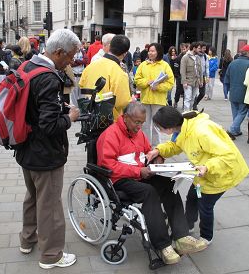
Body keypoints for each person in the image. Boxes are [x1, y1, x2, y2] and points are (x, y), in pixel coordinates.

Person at [97, 102, 207, 265]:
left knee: (170, 183)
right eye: (137, 122)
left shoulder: (138, 133)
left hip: (141, 173)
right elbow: (108, 166)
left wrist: (157, 158)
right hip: (119, 179)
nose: (140, 126)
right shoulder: (110, 135)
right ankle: (163, 245)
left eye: (142, 122)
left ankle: (181, 237)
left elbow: (148, 151)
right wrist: (138, 171)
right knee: (149, 192)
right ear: (126, 118)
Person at [15, 29, 81, 269]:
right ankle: (51, 255)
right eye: (71, 56)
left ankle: (27, 240)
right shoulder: (49, 77)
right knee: (50, 204)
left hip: (25, 149)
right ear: (59, 52)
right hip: (45, 154)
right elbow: (49, 126)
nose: (72, 61)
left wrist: (56, 107)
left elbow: (35, 108)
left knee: (33, 197)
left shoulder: (28, 66)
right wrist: (70, 117)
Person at [147, 106, 249, 246]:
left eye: (160, 128)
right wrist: (158, 151)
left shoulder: (201, 132)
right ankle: (187, 225)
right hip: (202, 175)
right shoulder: (182, 127)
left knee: (205, 206)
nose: (159, 131)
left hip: (221, 173)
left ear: (169, 126)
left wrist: (208, 167)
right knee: (192, 198)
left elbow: (227, 155)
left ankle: (206, 237)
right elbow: (176, 146)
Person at [79, 34, 131, 121]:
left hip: (90, 117)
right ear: (125, 53)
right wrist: (131, 100)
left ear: (110, 47)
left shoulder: (90, 66)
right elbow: (122, 103)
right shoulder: (120, 73)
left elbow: (81, 86)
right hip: (109, 121)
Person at [134, 43, 174, 146]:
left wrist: (158, 87)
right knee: (145, 124)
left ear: (158, 52)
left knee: (157, 125)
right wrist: (147, 82)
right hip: (145, 99)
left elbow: (170, 83)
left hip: (158, 100)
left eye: (153, 51)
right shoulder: (143, 65)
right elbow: (137, 80)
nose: (150, 53)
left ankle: (157, 146)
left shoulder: (164, 65)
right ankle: (146, 144)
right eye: (149, 51)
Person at [224, 44, 249, 140]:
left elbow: (227, 78)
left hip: (233, 91)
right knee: (242, 111)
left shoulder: (233, 63)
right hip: (243, 92)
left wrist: (228, 89)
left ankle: (237, 130)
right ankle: (232, 130)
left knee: (236, 112)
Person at [180, 42, 203, 112]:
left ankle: (190, 112)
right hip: (188, 81)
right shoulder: (185, 57)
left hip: (196, 82)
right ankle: (186, 114)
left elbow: (200, 71)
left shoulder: (198, 58)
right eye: (198, 48)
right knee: (188, 98)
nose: (200, 50)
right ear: (194, 48)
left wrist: (201, 81)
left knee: (193, 98)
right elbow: (182, 71)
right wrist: (184, 82)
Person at [193, 41, 209, 110]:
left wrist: (207, 76)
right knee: (195, 92)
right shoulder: (195, 56)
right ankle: (194, 106)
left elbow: (207, 66)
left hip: (202, 76)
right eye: (203, 48)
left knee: (202, 93)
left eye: (205, 48)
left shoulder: (205, 56)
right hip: (196, 77)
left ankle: (195, 103)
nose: (204, 50)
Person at [173, 43, 187, 109]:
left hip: (186, 77)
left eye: (185, 49)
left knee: (186, 91)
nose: (184, 50)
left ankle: (185, 104)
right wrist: (178, 76)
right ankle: (176, 101)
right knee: (178, 91)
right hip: (179, 77)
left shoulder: (187, 57)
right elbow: (176, 68)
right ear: (180, 49)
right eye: (183, 49)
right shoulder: (178, 58)